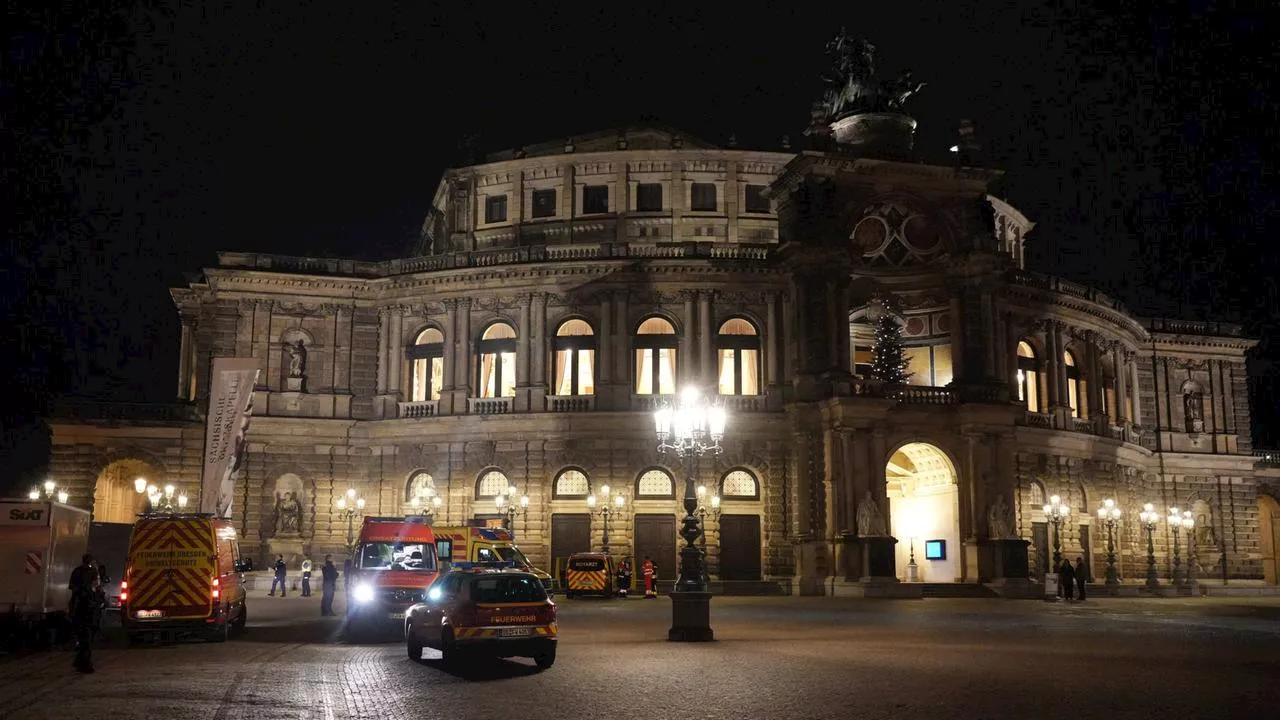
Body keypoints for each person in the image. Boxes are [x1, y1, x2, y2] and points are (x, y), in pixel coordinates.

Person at [67, 554, 100, 673]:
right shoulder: (92, 572)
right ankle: (84, 664)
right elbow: (96, 588)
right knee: (87, 638)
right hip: (88, 609)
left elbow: (72, 587)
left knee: (82, 637)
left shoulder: (76, 571)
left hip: (77, 609)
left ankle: (80, 661)